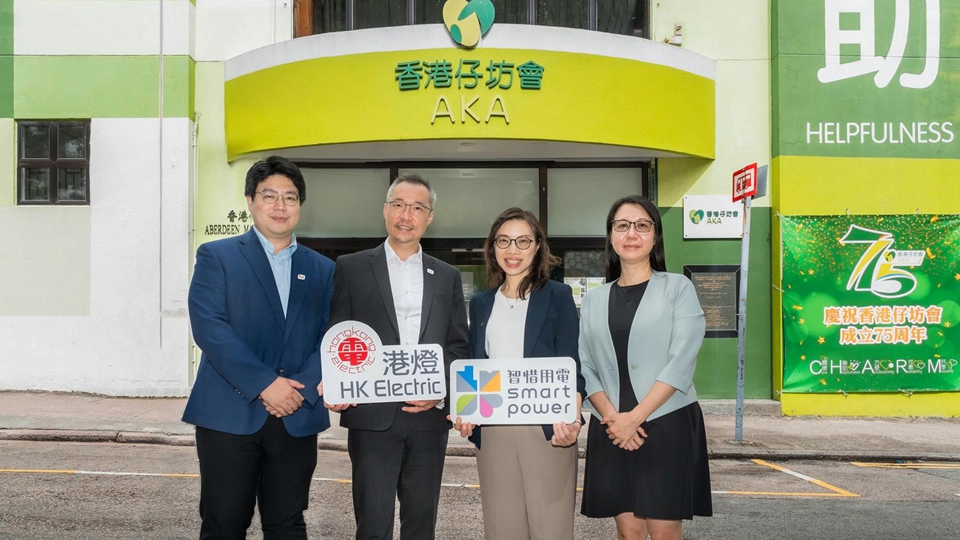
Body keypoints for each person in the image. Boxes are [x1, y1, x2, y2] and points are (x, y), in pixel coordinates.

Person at [182, 156, 335, 539]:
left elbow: (330, 335)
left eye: (291, 197)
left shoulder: (322, 268)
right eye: (270, 195)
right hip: (230, 414)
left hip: (297, 416)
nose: (280, 206)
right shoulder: (217, 256)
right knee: (224, 523)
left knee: (287, 524)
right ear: (250, 200)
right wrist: (266, 385)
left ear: (301, 205)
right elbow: (210, 329)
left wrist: (299, 388)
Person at [323, 173, 469, 540]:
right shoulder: (352, 267)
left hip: (428, 418)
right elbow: (338, 335)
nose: (407, 214)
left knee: (421, 523)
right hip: (371, 416)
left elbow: (457, 346)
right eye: (399, 205)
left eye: (417, 207)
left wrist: (439, 390)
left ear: (430, 216)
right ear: (385, 210)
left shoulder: (447, 276)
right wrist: (337, 382)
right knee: (372, 523)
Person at [579, 195, 712, 540]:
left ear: (655, 236)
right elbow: (586, 365)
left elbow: (681, 361)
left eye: (642, 225)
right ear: (611, 236)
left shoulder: (678, 289)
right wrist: (613, 419)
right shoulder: (594, 298)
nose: (632, 233)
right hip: (611, 425)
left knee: (664, 532)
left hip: (665, 422)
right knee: (628, 533)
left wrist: (634, 418)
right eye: (622, 225)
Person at [452, 207, 585, 540]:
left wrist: (574, 417)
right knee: (502, 530)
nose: (512, 250)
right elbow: (475, 365)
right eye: (504, 241)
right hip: (493, 431)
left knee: (551, 529)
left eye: (523, 241)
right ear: (493, 247)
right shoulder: (481, 303)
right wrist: (465, 412)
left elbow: (572, 364)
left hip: (547, 430)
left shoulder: (557, 296)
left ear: (538, 246)